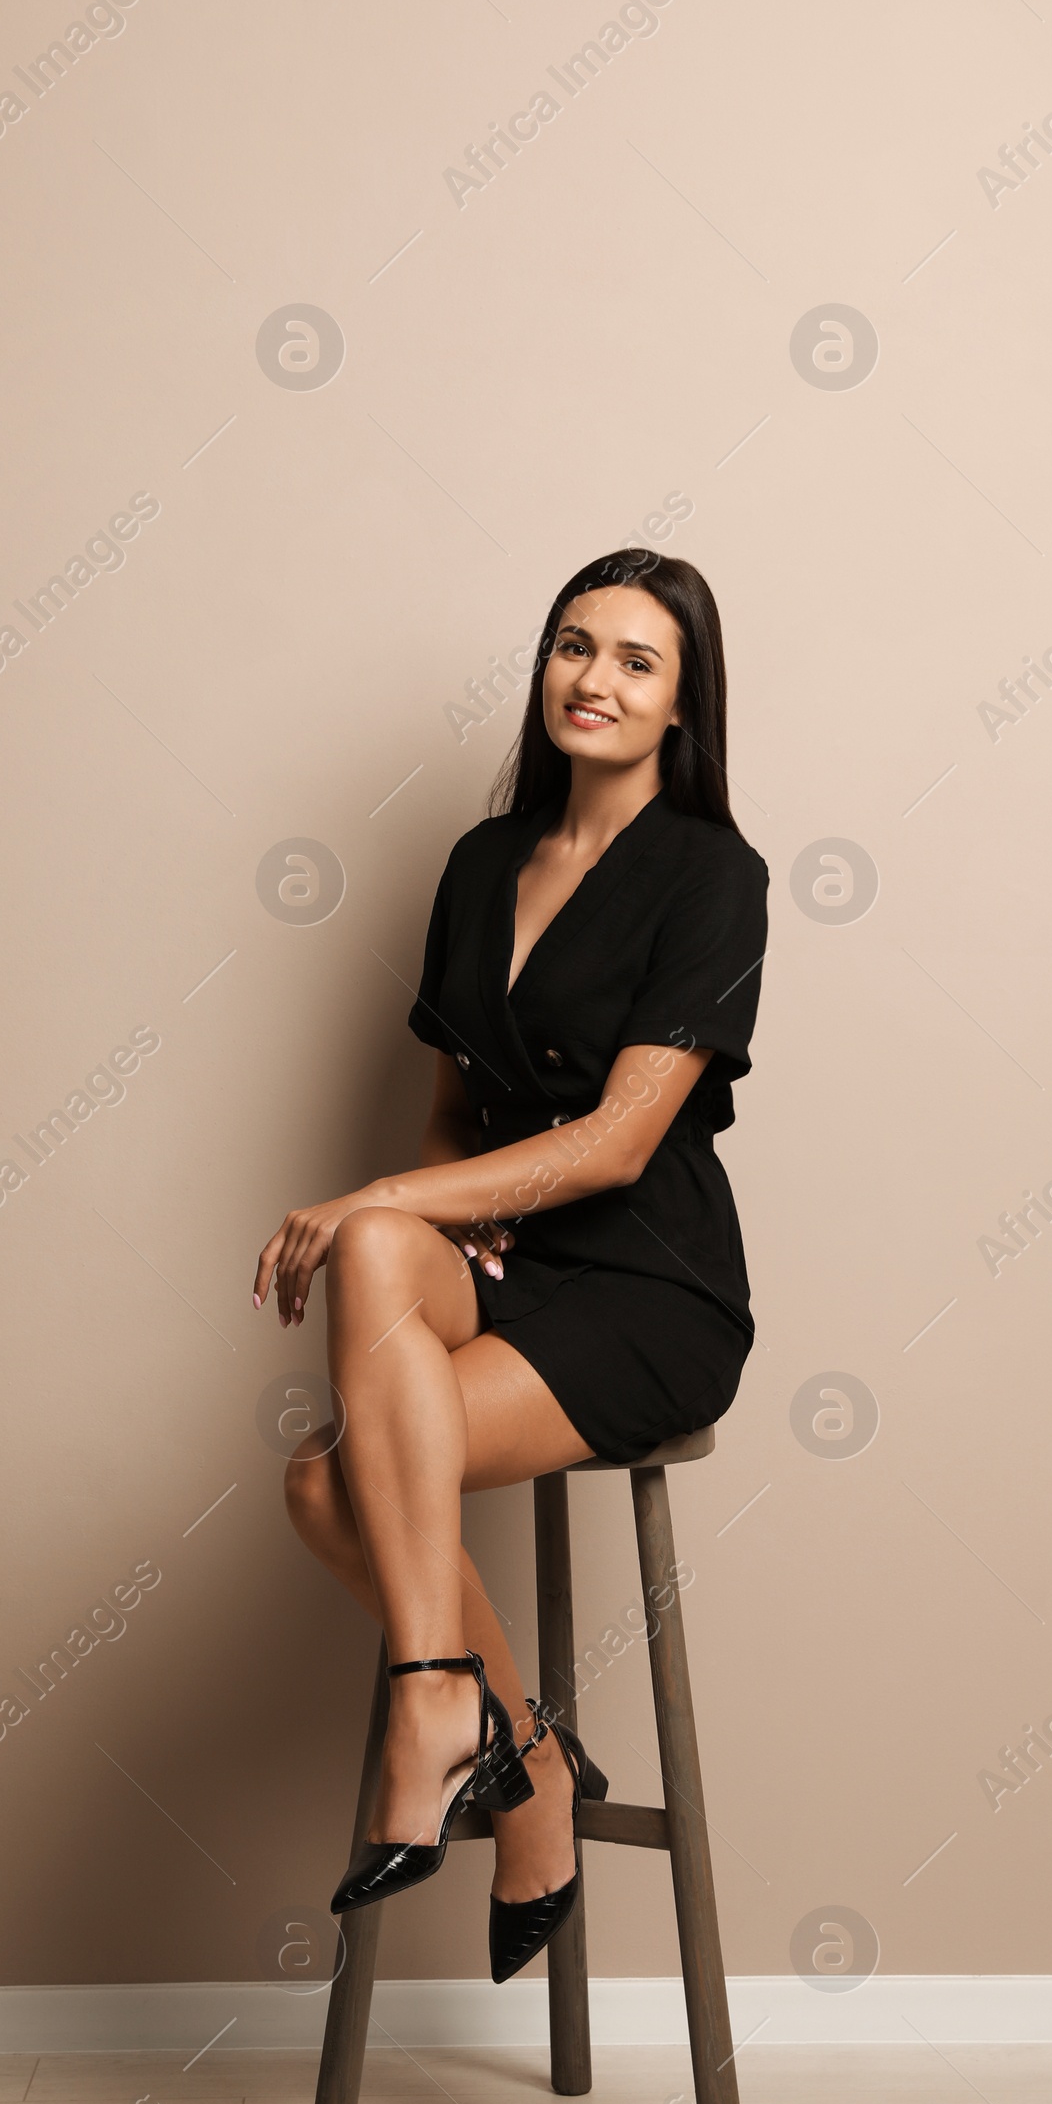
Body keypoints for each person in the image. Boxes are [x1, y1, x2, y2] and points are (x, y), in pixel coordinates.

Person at [254, 550, 768, 1983]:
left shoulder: (715, 876)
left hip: (646, 1286)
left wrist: (388, 1198)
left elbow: (613, 1145)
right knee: (372, 1258)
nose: (593, 680)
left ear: (681, 704)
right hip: (499, 1263)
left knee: (325, 1471)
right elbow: (448, 1110)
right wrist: (417, 1207)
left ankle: (467, 1726)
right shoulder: (483, 864)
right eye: (572, 645)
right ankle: (511, 1745)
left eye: (635, 661)